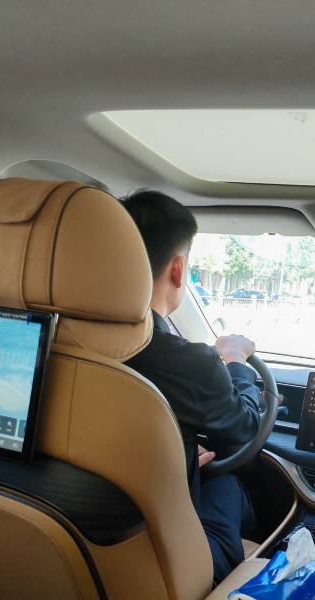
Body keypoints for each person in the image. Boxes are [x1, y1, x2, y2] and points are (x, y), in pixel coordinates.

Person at [121, 190, 261, 583]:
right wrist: (236, 360)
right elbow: (245, 428)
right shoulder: (188, 362)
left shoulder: (51, 339)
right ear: (178, 269)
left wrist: (175, 458)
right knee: (228, 484)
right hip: (163, 567)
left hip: (80, 533)